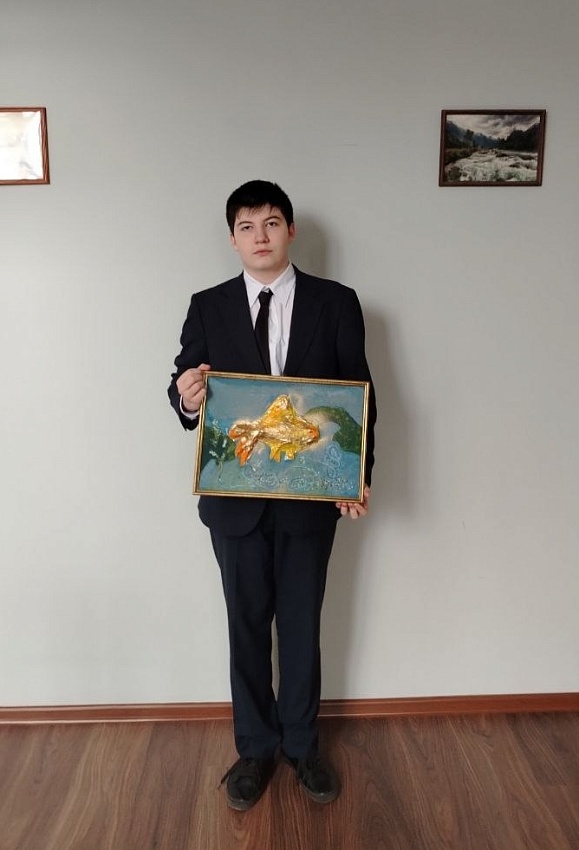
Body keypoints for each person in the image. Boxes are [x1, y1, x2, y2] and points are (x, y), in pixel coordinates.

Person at [168, 180, 376, 811]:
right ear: (233, 238)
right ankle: (255, 749)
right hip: (234, 502)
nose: (260, 236)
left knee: (302, 624)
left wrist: (357, 474)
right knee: (246, 626)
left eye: (271, 223)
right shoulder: (208, 306)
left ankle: (303, 747)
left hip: (311, 500)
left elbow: (358, 393)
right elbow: (184, 387)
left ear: (290, 231)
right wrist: (186, 394)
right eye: (247, 226)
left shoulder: (336, 302)